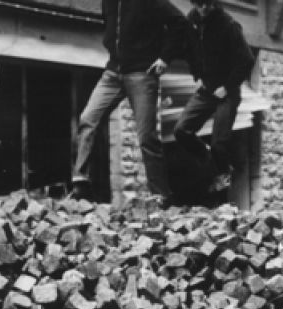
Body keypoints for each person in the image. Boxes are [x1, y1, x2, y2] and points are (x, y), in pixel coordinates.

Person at [69, 0, 191, 204]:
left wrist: (165, 58)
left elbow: (180, 22)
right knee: (88, 119)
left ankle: (161, 194)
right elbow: (111, 29)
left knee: (146, 137)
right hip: (113, 72)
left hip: (142, 73)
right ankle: (81, 181)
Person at [174, 0, 255, 196]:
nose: (204, 9)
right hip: (207, 89)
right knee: (181, 130)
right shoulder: (192, 19)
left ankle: (222, 186)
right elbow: (189, 49)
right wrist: (197, 76)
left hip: (227, 92)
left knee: (220, 143)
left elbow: (247, 60)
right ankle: (207, 156)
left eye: (208, 5)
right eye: (200, 4)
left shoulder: (228, 25)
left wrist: (227, 87)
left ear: (215, 4)